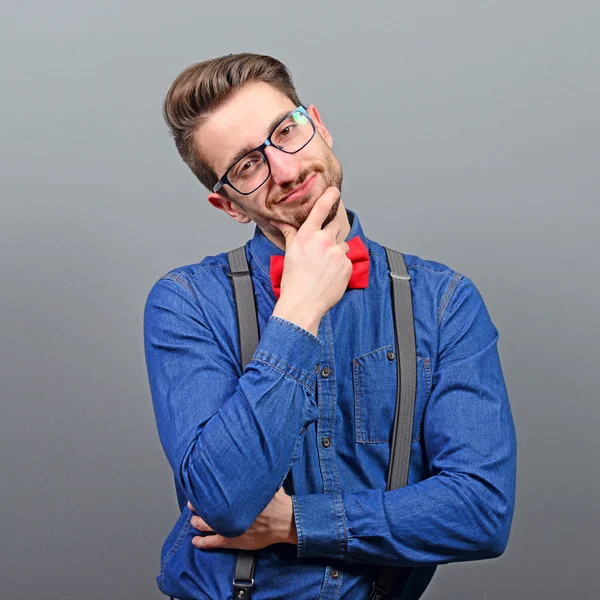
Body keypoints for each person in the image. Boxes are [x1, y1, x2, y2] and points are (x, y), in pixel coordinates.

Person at [143, 52, 517, 600]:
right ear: (228, 206)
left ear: (317, 124)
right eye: (248, 165)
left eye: (286, 132)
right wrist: (297, 312)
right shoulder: (186, 303)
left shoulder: (444, 302)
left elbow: (482, 510)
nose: (287, 170)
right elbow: (224, 502)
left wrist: (295, 522)